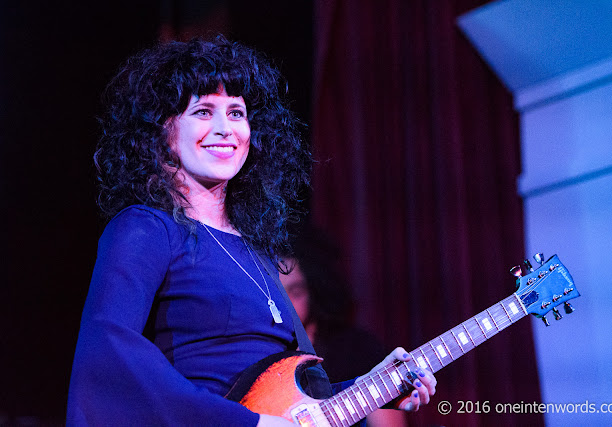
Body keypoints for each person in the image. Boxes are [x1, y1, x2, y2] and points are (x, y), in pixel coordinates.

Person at [67, 36, 436, 426]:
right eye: (204, 111)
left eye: (237, 113)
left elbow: (289, 409)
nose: (226, 129)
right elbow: (109, 352)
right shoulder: (145, 228)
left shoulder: (255, 249)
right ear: (163, 130)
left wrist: (372, 386)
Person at [281, 226, 408, 427]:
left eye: (295, 292)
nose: (286, 303)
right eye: (278, 292)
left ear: (315, 291)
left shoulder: (356, 350)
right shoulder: (260, 350)